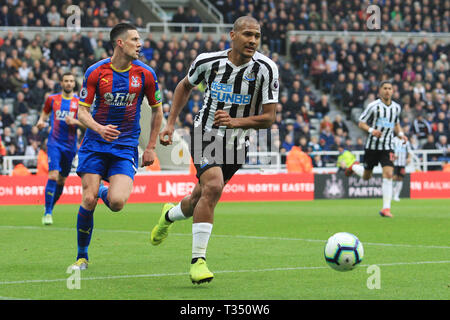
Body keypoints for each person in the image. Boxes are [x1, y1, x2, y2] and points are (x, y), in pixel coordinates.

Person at [152, 16, 279, 284]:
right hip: (205, 133)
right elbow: (184, 86)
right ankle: (198, 261)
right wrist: (171, 123)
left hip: (238, 142)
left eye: (257, 35)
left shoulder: (266, 69)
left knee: (199, 197)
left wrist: (235, 122)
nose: (253, 40)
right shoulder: (207, 61)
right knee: (213, 187)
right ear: (232, 35)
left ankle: (168, 215)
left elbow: (269, 118)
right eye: (247, 34)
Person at [70, 23, 163, 270]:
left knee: (117, 202)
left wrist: (151, 146)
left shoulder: (146, 74)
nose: (140, 43)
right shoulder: (95, 71)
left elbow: (157, 110)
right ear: (120, 43)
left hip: (125, 146)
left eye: (139, 39)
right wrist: (99, 128)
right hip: (95, 144)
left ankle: (103, 191)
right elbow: (82, 111)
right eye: (134, 39)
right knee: (88, 199)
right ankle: (82, 256)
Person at [345, 80, 407, 217]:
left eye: (390, 88)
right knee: (367, 176)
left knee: (389, 174)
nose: (387, 91)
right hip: (372, 146)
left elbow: (396, 124)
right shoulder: (373, 106)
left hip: (387, 146)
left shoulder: (396, 107)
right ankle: (355, 167)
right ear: (380, 91)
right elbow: (361, 123)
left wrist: (401, 134)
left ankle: (386, 208)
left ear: (393, 91)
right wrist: (372, 130)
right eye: (385, 88)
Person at [36, 72, 83, 225]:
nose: (68, 83)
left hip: (70, 146)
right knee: (53, 175)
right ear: (61, 83)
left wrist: (75, 121)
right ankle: (48, 213)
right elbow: (44, 114)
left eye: (71, 81)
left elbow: (87, 124)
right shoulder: (52, 99)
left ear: (74, 84)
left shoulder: (79, 102)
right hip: (54, 142)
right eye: (66, 81)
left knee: (62, 180)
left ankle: (49, 206)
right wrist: (41, 121)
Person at [391, 135, 412, 201]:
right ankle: (391, 194)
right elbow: (390, 150)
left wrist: (409, 158)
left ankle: (396, 195)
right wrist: (392, 156)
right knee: (394, 178)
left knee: (400, 178)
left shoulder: (406, 141)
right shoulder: (393, 140)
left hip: (402, 163)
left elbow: (409, 151)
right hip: (394, 163)